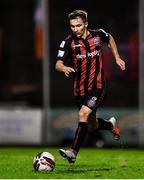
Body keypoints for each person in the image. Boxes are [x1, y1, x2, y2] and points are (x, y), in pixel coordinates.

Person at [55, 10, 125, 164]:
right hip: (79, 90)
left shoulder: (98, 34)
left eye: (78, 25)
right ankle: (110, 124)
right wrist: (63, 68)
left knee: (83, 114)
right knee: (92, 126)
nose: (75, 29)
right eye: (72, 26)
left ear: (86, 23)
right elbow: (58, 63)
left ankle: (73, 152)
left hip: (97, 86)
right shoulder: (68, 42)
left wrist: (117, 57)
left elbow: (110, 38)